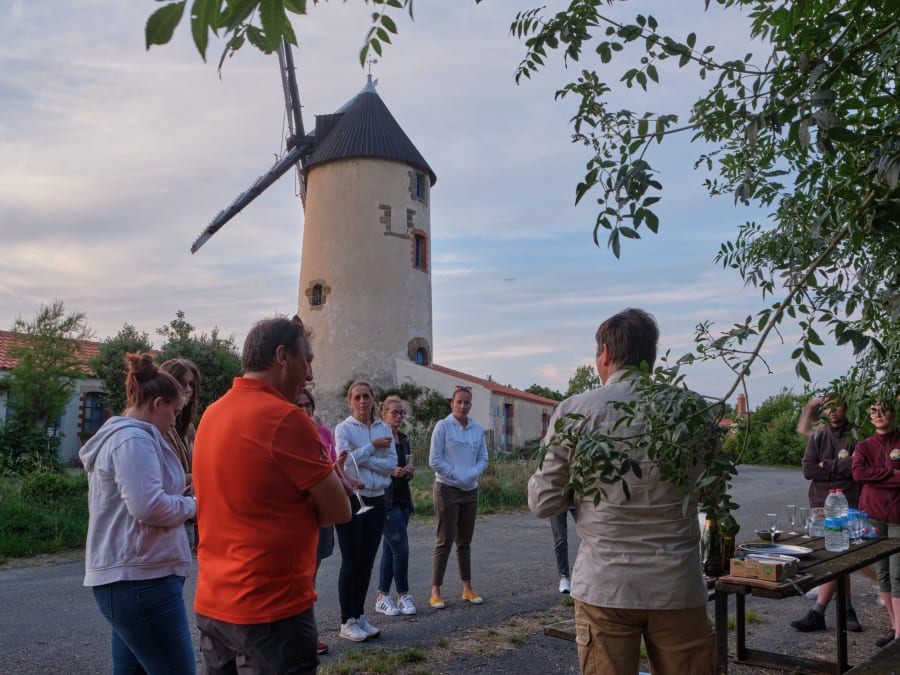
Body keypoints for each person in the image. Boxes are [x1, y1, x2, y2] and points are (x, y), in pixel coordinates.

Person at [528, 308, 715, 675]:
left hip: (606, 586)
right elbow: (707, 484)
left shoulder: (575, 412)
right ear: (652, 357)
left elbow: (543, 501)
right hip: (677, 583)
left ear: (606, 355)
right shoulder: (693, 410)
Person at [192, 315, 351, 674]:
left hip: (214, 602)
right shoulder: (288, 419)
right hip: (271, 610)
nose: (309, 374)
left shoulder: (212, 414)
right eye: (306, 360)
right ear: (282, 356)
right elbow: (339, 509)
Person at [79, 352, 198, 675]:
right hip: (141, 580)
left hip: (134, 580)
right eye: (174, 412)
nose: (175, 421)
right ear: (157, 404)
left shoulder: (128, 438)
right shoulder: (134, 439)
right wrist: (195, 506)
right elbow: (149, 506)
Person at [790, 395, 865, 632]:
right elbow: (807, 469)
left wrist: (828, 466)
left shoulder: (856, 433)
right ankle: (846, 609)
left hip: (848, 503)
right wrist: (838, 468)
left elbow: (856, 468)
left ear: (846, 407)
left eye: (837, 405)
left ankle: (819, 612)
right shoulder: (819, 434)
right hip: (820, 504)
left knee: (838, 556)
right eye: (828, 406)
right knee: (833, 557)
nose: (832, 410)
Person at [334, 380, 397, 642]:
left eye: (366, 396)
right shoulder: (344, 428)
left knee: (367, 561)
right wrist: (372, 449)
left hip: (378, 499)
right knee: (351, 560)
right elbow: (344, 463)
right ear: (350, 402)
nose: (362, 401)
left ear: (374, 399)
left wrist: (362, 458)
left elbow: (392, 464)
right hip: (353, 499)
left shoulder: (384, 428)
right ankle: (346, 620)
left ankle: (359, 615)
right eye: (357, 397)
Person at [429, 385, 489, 609]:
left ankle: (468, 588)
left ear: (471, 405)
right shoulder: (443, 427)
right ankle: (436, 591)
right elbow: (434, 459)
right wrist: (457, 475)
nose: (463, 406)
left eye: (467, 403)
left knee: (464, 541)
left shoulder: (476, 429)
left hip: (470, 490)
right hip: (447, 487)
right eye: (459, 402)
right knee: (444, 540)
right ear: (451, 403)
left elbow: (483, 457)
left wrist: (473, 474)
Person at [852, 401, 900, 648]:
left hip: (898, 517)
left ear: (892, 413)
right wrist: (891, 475)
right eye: (873, 410)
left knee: (898, 573)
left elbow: (868, 476)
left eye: (884, 409)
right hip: (872, 515)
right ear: (870, 417)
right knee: (882, 573)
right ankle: (895, 627)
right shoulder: (864, 446)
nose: (879, 415)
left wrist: (877, 476)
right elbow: (859, 474)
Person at [297, 386, 337, 656]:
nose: (303, 411)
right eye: (298, 405)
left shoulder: (323, 433)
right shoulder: (287, 434)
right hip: (298, 518)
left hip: (320, 512)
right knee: (299, 581)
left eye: (307, 406)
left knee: (311, 580)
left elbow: (331, 466)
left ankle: (309, 635)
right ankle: (302, 639)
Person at [375, 395, 417, 617]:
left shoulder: (403, 438)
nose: (399, 416)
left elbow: (405, 467)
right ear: (384, 414)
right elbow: (373, 465)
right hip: (386, 501)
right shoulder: (380, 439)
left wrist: (408, 472)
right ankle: (403, 595)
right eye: (394, 412)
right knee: (401, 549)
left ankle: (382, 597)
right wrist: (392, 471)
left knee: (390, 550)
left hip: (402, 500)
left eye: (401, 412)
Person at [160, 358, 201, 553]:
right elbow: (166, 478)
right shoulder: (159, 426)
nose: (188, 389)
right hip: (169, 517)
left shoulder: (189, 427)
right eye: (182, 383)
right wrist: (206, 479)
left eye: (191, 384)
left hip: (187, 515)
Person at [549, 508, 577, 593]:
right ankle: (563, 577)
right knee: (560, 538)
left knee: (588, 533)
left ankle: (591, 576)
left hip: (578, 497)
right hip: (558, 498)